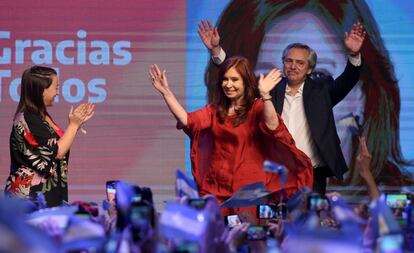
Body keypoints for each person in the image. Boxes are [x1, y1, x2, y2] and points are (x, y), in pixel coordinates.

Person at [197, 0, 414, 191]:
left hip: (313, 170)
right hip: (274, 174)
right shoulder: (268, 93)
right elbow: (236, 77)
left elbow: (348, 79)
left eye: (300, 63)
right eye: (287, 62)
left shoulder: (322, 93)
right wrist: (217, 51)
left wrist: (354, 54)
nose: (292, 67)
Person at [149, 57, 312, 204]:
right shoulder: (214, 110)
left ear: (246, 82)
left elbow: (273, 126)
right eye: (225, 79)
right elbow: (187, 120)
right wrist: (166, 92)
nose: (228, 84)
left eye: (234, 79)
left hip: (249, 192)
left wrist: (265, 96)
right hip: (216, 188)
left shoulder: (257, 107)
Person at [5, 66, 94, 207]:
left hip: (47, 194)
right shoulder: (28, 118)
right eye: (56, 87)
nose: (58, 93)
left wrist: (75, 125)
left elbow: (56, 146)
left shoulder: (42, 117)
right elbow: (56, 152)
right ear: (41, 90)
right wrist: (73, 125)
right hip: (29, 201)